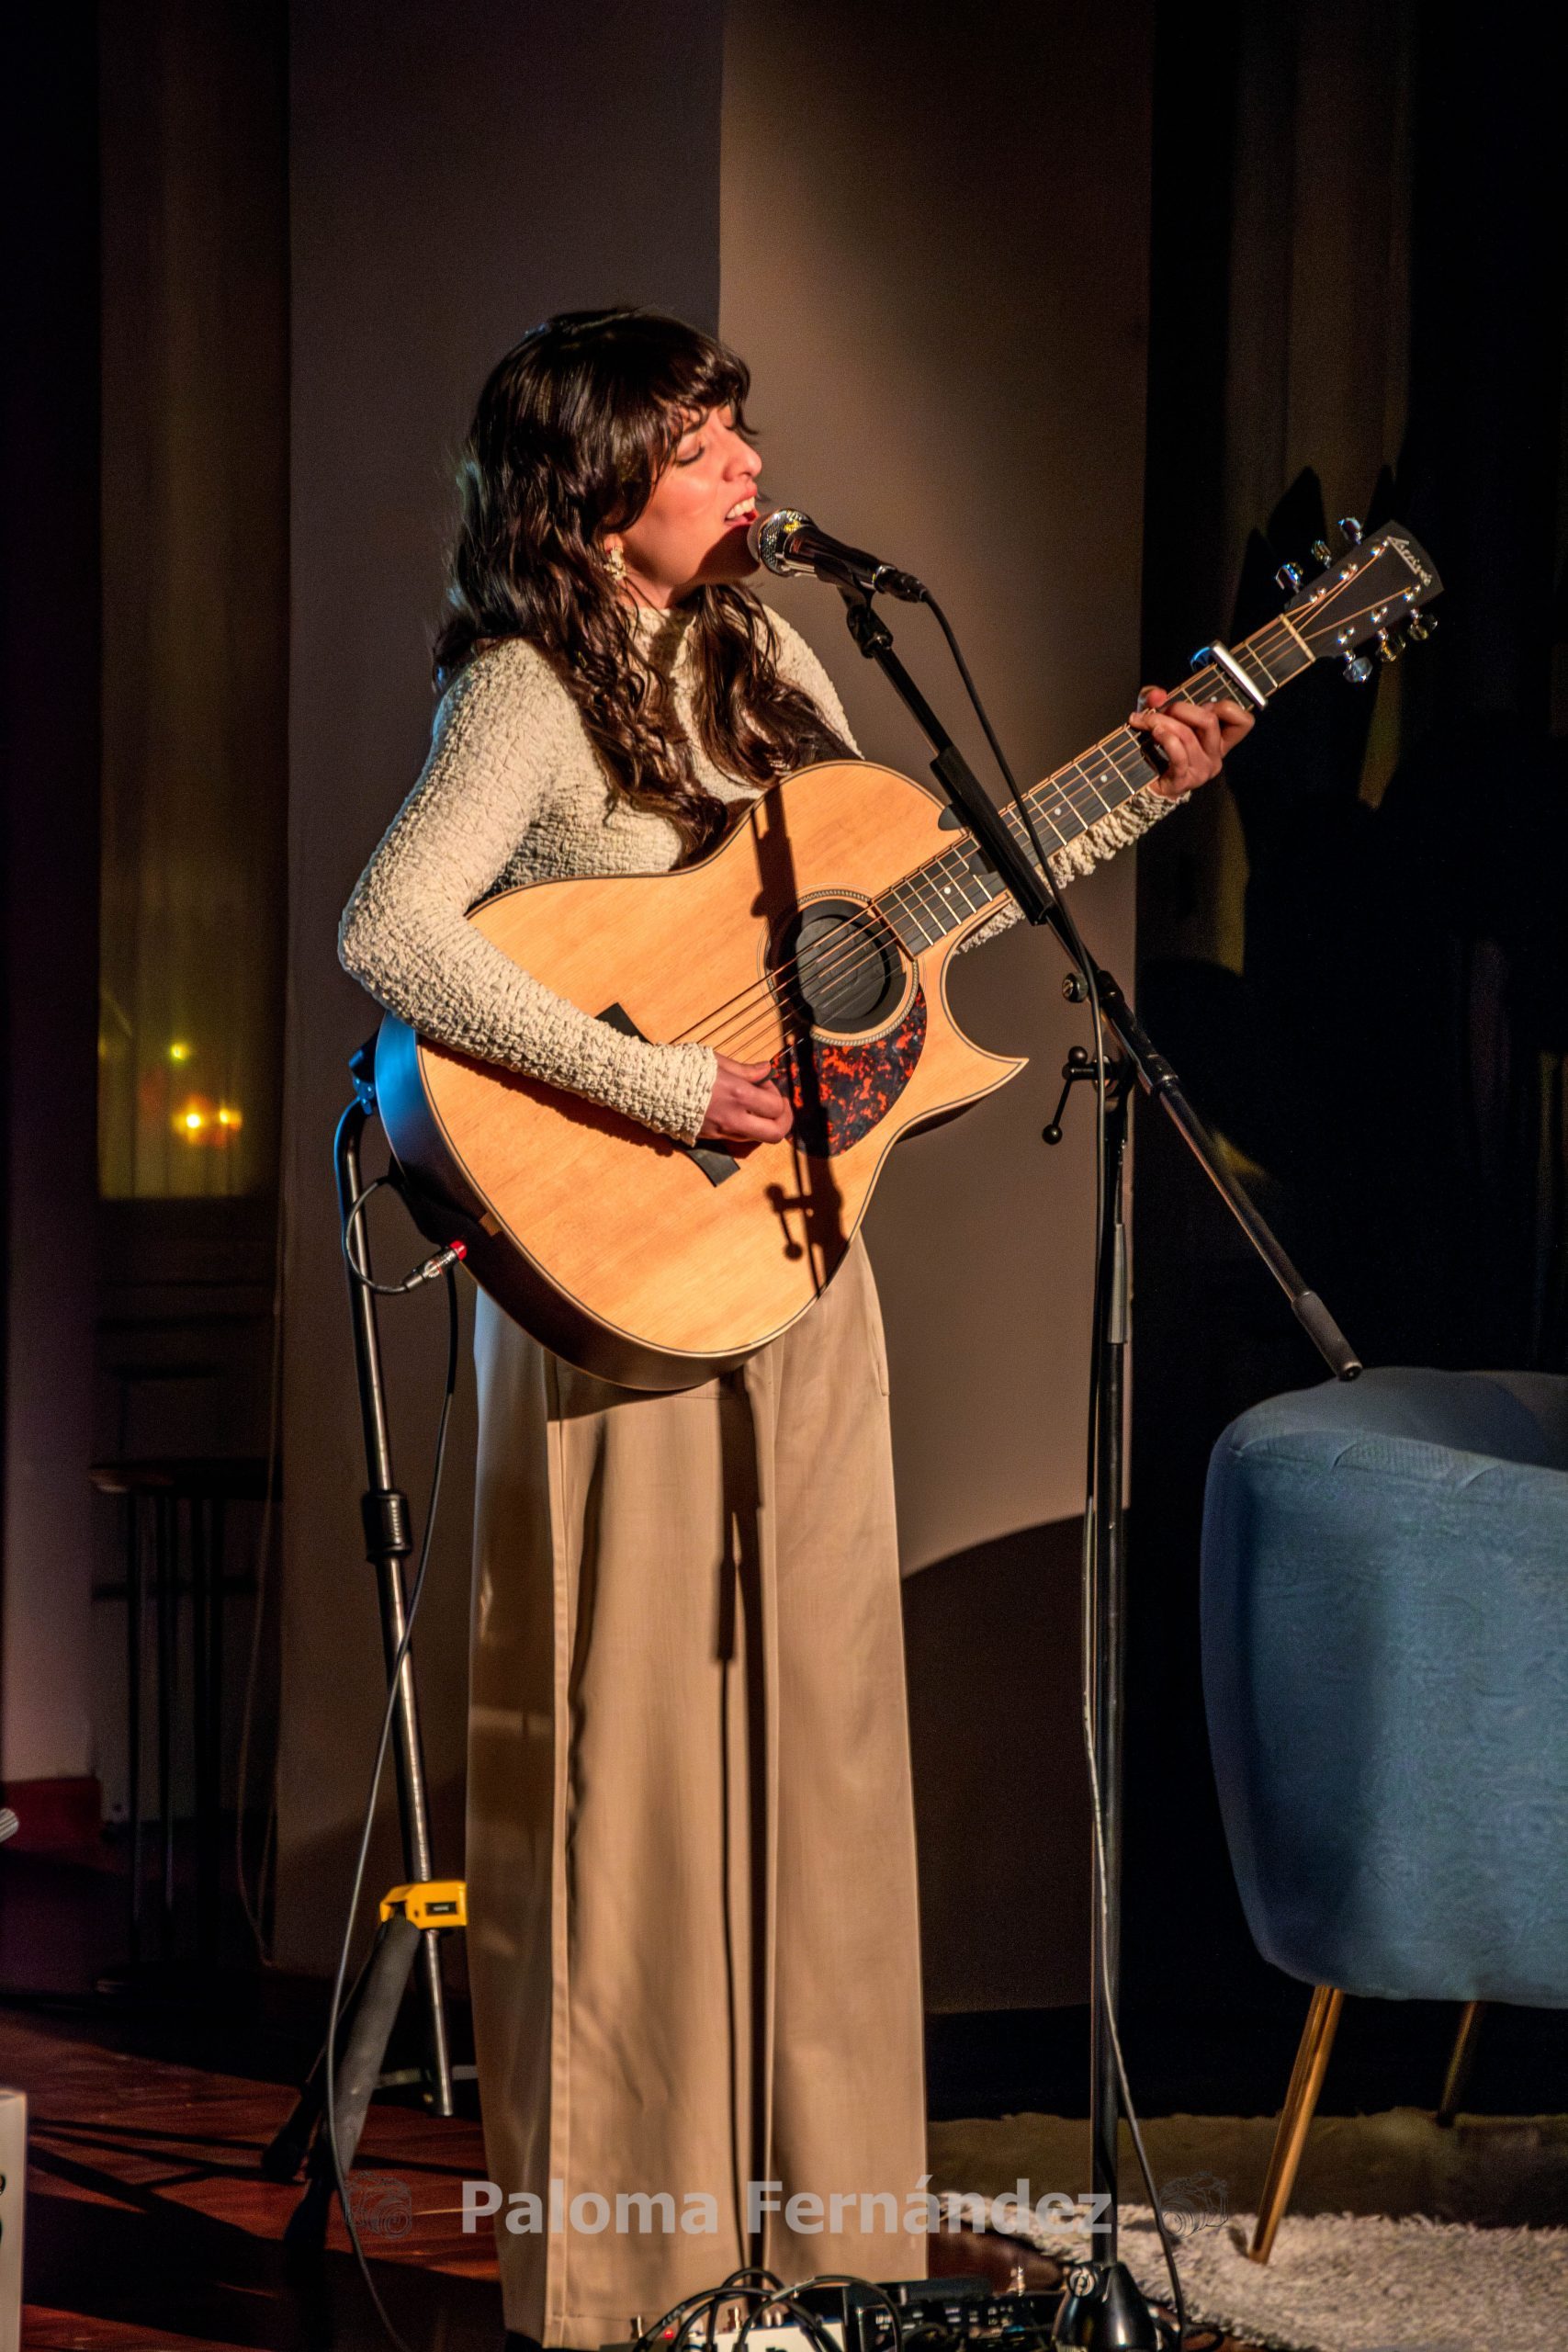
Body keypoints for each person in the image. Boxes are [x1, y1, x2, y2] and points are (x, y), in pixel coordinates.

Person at [338, 307, 1247, 2349]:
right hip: (614, 1280)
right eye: (700, 442)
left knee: (821, 1741)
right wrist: (666, 1085)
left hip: (799, 1256)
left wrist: (1149, 786)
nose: (747, 467)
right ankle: (632, 2278)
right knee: (633, 1765)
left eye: (740, 432)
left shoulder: (771, 657)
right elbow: (389, 931)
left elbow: (912, 897)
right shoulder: (523, 690)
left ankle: (826, 2258)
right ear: (597, 486)